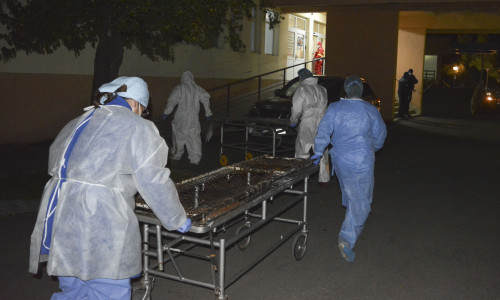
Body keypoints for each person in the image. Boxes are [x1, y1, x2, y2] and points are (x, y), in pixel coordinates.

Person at [29, 76, 192, 299]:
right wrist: (177, 219)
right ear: (135, 102)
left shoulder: (77, 121)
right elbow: (153, 179)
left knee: (73, 290)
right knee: (108, 289)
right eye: (142, 109)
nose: (142, 114)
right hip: (100, 219)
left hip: (61, 218)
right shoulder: (138, 127)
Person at [311, 75, 387, 262]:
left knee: (351, 193)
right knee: (361, 201)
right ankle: (346, 239)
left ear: (346, 90)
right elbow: (380, 135)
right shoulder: (370, 110)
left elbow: (324, 131)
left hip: (341, 160)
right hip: (362, 161)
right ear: (361, 90)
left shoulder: (336, 108)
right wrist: (370, 148)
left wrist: (318, 151)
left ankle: (351, 215)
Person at [163, 71, 212, 165]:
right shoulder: (197, 89)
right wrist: (208, 113)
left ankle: (176, 156)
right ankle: (195, 159)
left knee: (178, 136)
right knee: (194, 137)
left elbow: (172, 101)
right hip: (194, 118)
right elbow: (206, 98)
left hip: (181, 118)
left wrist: (166, 112)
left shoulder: (179, 88)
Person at [290, 68, 330, 184]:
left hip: (307, 122)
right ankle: (324, 178)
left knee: (302, 149)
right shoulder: (323, 89)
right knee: (322, 150)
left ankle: (301, 177)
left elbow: (296, 108)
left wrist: (293, 120)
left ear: (301, 78)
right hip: (321, 122)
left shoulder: (302, 89)